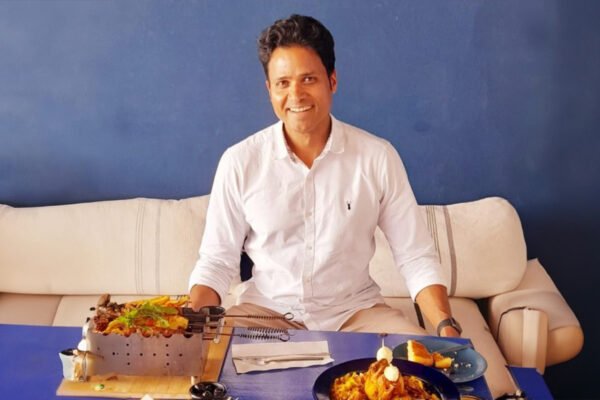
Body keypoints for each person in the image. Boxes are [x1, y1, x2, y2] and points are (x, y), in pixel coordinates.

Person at [188, 14, 461, 337]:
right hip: (265, 314)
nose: (296, 95)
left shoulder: (377, 157)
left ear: (332, 81)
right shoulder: (239, 161)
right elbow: (217, 262)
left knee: (416, 363)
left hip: (356, 313)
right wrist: (189, 324)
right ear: (269, 89)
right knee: (215, 364)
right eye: (283, 83)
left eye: (308, 79)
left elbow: (414, 256)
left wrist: (446, 326)